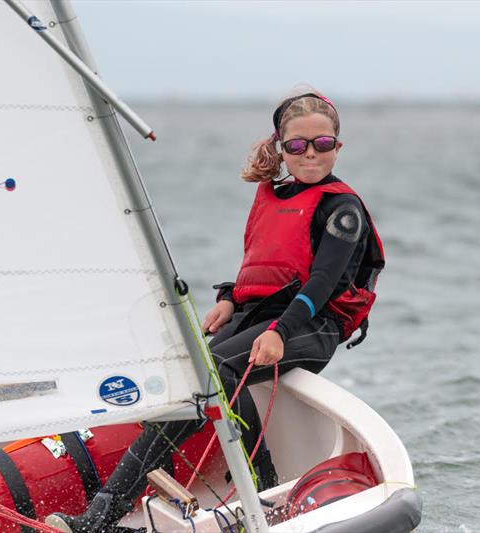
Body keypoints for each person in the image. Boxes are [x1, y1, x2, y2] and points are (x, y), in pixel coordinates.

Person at [45, 91, 385, 533]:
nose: (311, 154)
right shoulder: (275, 196)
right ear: (281, 148)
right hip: (260, 318)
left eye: (323, 144)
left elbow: (321, 283)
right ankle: (260, 482)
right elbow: (266, 267)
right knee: (194, 372)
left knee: (214, 376)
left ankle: (100, 516)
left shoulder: (342, 209)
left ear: (337, 147)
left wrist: (282, 331)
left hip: (311, 326)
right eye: (298, 145)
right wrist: (229, 297)